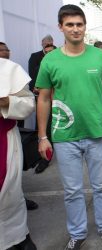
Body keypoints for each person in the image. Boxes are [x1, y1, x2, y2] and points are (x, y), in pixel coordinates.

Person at [35, 5, 102, 250]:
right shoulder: (50, 60)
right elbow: (43, 98)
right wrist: (42, 136)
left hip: (97, 133)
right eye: (70, 24)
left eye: (79, 24)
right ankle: (77, 233)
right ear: (61, 27)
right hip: (65, 136)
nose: (75, 29)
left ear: (85, 27)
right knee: (72, 190)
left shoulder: (99, 56)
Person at [0, 58, 37, 250]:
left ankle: (17, 235)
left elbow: (28, 103)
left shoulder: (7, 69)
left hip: (3, 136)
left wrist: (5, 100)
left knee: (10, 191)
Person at [28, 36, 56, 174]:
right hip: (42, 97)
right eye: (45, 44)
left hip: (59, 98)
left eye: (50, 43)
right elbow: (33, 76)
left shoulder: (60, 53)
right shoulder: (35, 57)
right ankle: (43, 158)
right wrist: (46, 59)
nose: (48, 45)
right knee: (42, 126)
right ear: (42, 45)